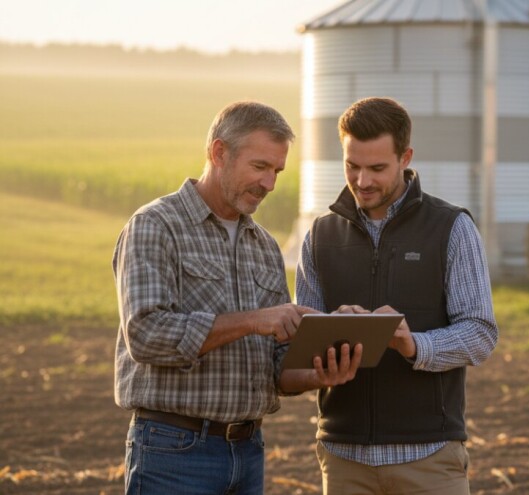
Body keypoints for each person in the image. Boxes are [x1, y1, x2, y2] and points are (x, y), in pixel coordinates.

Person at [112, 100, 360, 495]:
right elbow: (144, 334)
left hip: (248, 453)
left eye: (277, 171)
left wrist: (320, 372)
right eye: (260, 167)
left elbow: (277, 367)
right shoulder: (155, 226)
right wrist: (254, 319)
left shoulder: (263, 245)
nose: (270, 184)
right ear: (218, 153)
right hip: (173, 452)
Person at [293, 97, 499, 494]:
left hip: (431, 459)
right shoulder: (320, 237)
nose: (362, 181)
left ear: (405, 157)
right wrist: (330, 335)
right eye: (352, 166)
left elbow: (480, 333)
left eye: (377, 168)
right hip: (343, 459)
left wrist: (413, 345)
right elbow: (300, 345)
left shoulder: (451, 228)